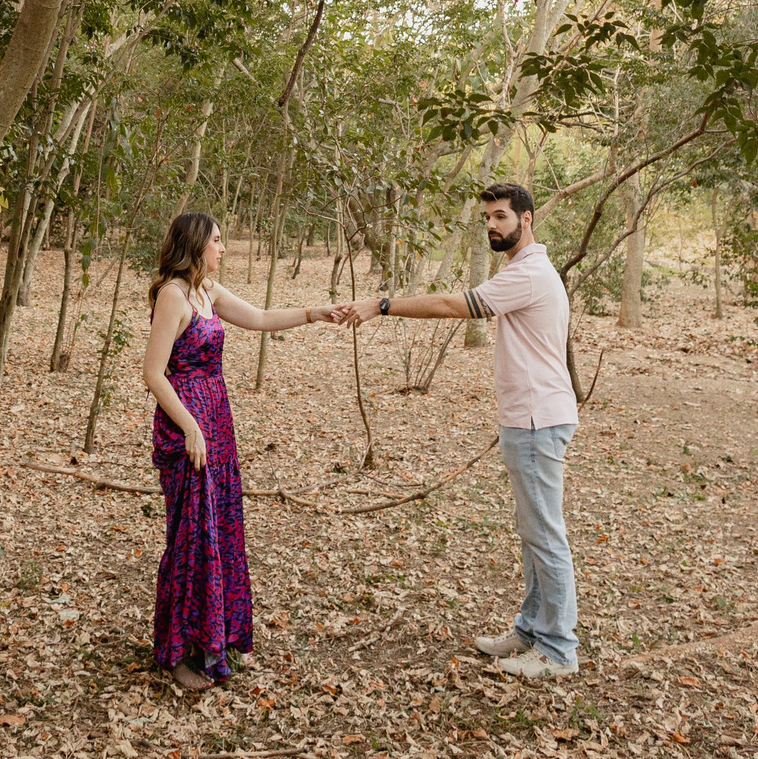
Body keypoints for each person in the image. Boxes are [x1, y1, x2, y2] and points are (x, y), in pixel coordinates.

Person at [332, 181, 579, 677]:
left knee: (545, 534)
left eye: (501, 216)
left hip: (538, 419)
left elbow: (453, 306)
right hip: (528, 417)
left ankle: (557, 650)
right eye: (487, 217)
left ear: (526, 219)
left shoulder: (529, 273)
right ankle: (532, 629)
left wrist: (382, 305)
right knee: (532, 531)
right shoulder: (521, 268)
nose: (492, 225)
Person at [142, 209, 342, 694]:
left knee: (219, 527)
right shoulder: (173, 295)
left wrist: (314, 313)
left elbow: (261, 318)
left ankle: (215, 638)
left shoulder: (207, 291)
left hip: (217, 419)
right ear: (195, 244)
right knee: (191, 536)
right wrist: (190, 427)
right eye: (216, 240)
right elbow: (152, 373)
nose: (223, 248)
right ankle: (177, 652)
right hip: (186, 426)